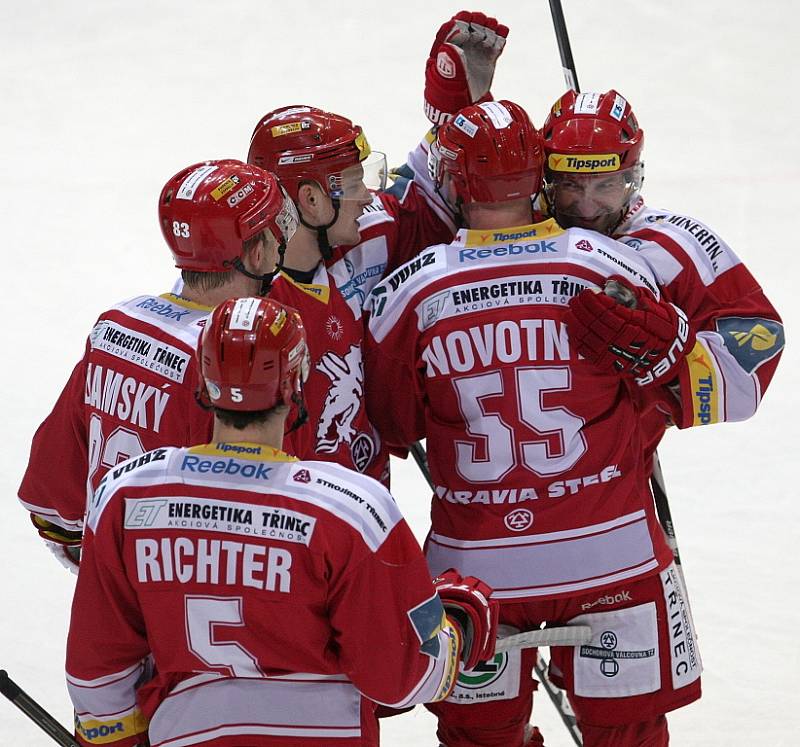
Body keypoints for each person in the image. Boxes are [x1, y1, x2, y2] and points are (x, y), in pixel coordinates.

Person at [364, 100, 717, 746]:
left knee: (479, 740)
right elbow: (661, 391)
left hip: (476, 574)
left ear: (454, 181)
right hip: (612, 557)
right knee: (629, 735)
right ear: (542, 178)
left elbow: (391, 423)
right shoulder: (611, 265)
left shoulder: (407, 294)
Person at [65, 295, 498, 747]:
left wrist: (112, 734)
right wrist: (457, 627)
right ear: (295, 385)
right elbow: (402, 677)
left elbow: (98, 670)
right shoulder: (350, 509)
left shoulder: (128, 494)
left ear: (205, 379)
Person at [244, 11, 508, 484]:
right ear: (309, 199)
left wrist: (459, 111)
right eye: (352, 182)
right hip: (291, 530)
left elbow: (440, 203)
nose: (368, 194)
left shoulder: (369, 232)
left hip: (366, 513)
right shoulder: (240, 308)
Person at [17, 159, 297, 570]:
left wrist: (108, 570)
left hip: (118, 594)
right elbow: (264, 519)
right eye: (275, 236)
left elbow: (53, 488)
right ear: (255, 254)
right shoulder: (234, 359)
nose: (281, 245)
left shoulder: (114, 326)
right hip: (190, 593)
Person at [540, 89, 784, 457]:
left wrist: (668, 358)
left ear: (633, 177)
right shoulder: (520, 225)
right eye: (571, 185)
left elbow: (746, 381)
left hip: (616, 470)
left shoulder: (676, 246)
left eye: (605, 185)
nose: (586, 206)